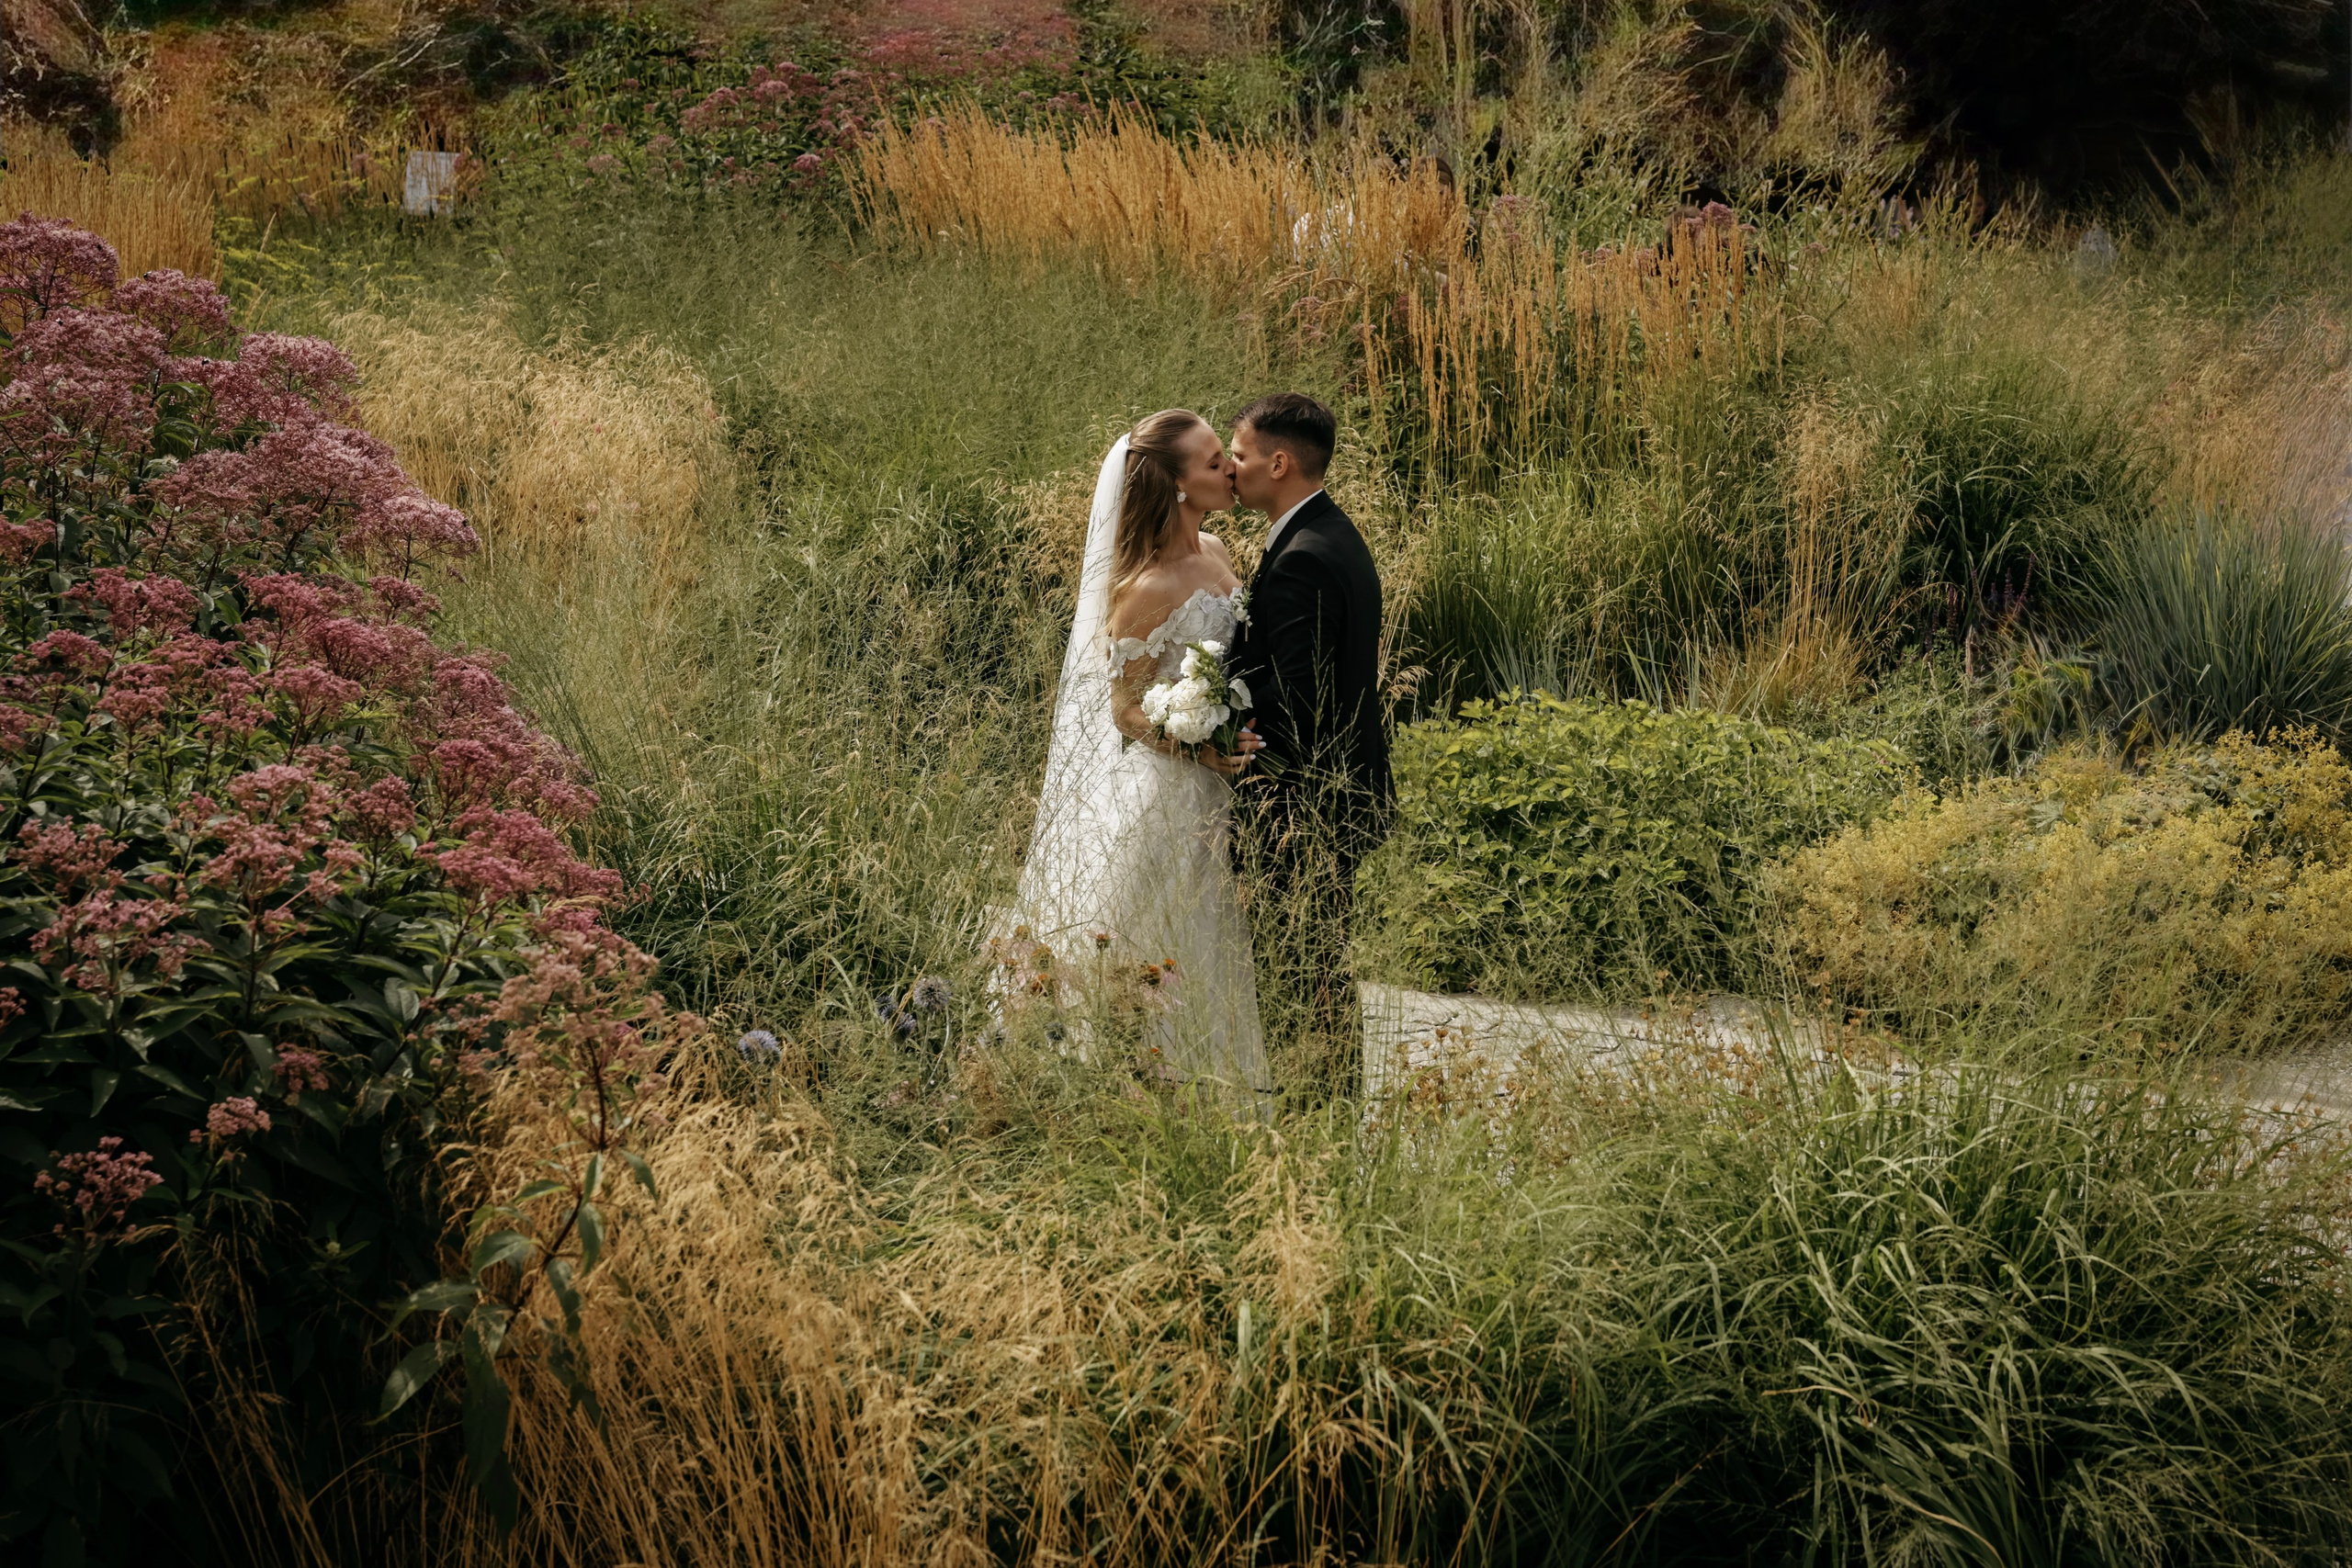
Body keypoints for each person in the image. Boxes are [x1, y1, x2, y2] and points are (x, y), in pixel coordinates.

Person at [1005, 411, 1272, 1112]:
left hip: (1218, 789)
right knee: (1157, 933)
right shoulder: (1144, 589)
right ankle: (1122, 1089)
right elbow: (1124, 708)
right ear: (1179, 487)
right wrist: (1196, 744)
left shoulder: (1217, 550)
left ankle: (1217, 1088)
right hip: (1166, 791)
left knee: (1216, 939)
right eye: (1214, 461)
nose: (1230, 470)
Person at [1224, 393, 1391, 1085]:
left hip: (1303, 808)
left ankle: (1318, 1114)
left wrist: (1220, 732)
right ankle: (1325, 1109)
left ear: (1280, 461)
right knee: (1320, 969)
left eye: (1239, 455)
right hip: (1332, 795)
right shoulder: (1328, 534)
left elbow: (1296, 704)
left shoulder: (1303, 559)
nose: (1232, 470)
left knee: (1305, 974)